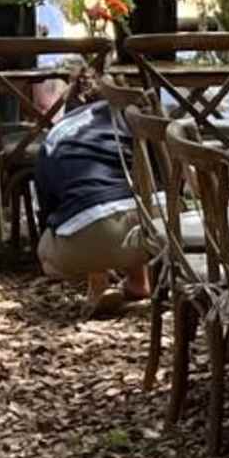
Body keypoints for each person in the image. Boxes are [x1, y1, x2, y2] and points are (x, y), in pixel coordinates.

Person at [29, 73, 153, 311]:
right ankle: (139, 281)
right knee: (124, 192)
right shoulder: (129, 117)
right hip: (149, 229)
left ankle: (97, 283)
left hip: (89, 228)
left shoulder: (55, 135)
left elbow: (48, 209)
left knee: (49, 249)